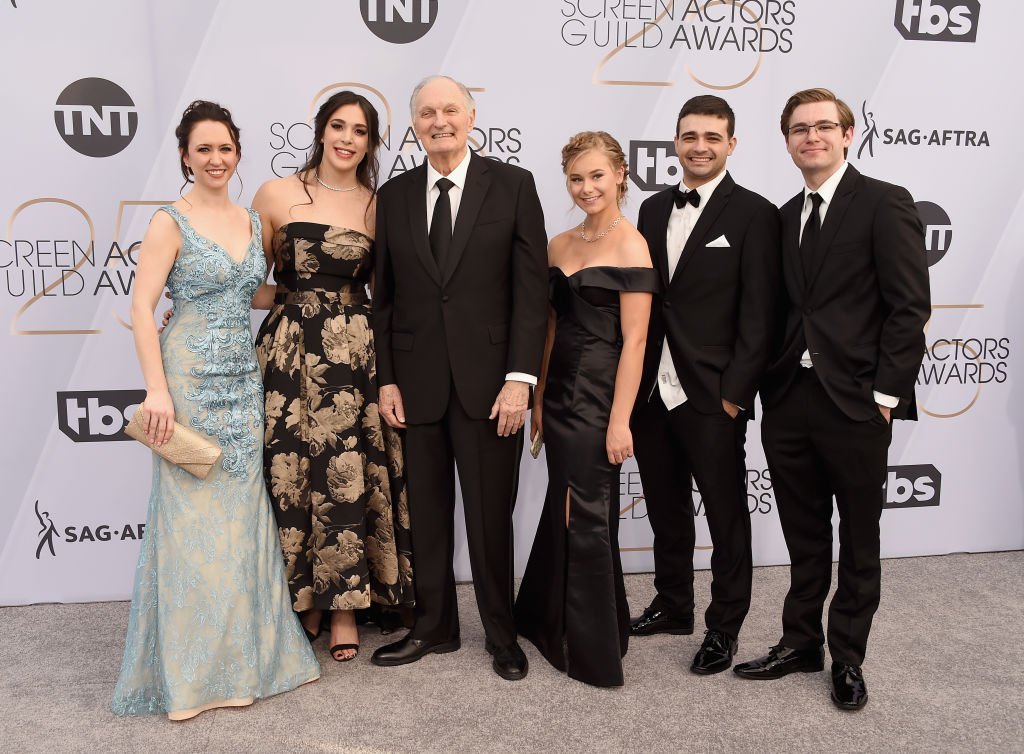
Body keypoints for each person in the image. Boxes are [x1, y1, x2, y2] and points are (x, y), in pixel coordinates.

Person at [112, 100, 320, 720]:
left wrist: (306, 292)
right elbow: (142, 308)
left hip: (242, 381)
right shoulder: (168, 222)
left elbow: (248, 288)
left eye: (225, 148)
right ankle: (192, 679)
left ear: (237, 153)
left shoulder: (254, 222)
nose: (215, 159)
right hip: (186, 382)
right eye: (203, 149)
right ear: (184, 155)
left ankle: (247, 663)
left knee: (240, 521)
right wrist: (156, 390)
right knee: (189, 524)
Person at [733, 88, 930, 711]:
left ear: (848, 134)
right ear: (786, 140)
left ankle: (848, 657)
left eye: (823, 126)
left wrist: (886, 394)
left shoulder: (883, 203)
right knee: (803, 533)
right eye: (798, 128)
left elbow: (909, 307)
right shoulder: (784, 214)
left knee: (859, 537)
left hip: (858, 402)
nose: (810, 136)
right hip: (791, 398)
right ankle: (800, 643)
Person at [370, 75, 549, 681]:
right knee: (425, 512)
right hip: (416, 384)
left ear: (472, 117)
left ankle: (502, 633)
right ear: (414, 124)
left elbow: (531, 293)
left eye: (450, 110)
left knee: (490, 516)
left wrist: (520, 378)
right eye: (426, 113)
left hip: (492, 383)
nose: (438, 121)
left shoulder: (514, 185)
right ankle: (435, 626)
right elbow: (384, 299)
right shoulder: (392, 196)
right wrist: (387, 379)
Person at [251, 91, 414, 663]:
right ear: (320, 130)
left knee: (346, 472)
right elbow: (253, 281)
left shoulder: (379, 205)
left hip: (354, 351)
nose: (348, 138)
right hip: (290, 348)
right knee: (291, 472)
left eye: (361, 131)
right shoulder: (277, 194)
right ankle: (304, 598)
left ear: (371, 143)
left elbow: (387, 292)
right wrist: (196, 305)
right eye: (338, 126)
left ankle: (343, 607)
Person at [629, 96, 781, 676]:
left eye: (712, 137)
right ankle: (673, 604)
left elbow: (760, 314)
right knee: (665, 509)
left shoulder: (755, 214)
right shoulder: (649, 208)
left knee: (725, 516)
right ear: (675, 142)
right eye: (689, 136)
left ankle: (724, 627)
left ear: (732, 144)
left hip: (713, 393)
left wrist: (734, 394)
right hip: (651, 394)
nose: (700, 146)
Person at [514, 131, 656, 687]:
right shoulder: (559, 244)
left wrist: (620, 419)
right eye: (577, 178)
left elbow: (637, 342)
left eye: (598, 175)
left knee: (588, 513)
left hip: (600, 397)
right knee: (564, 504)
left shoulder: (633, 245)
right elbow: (549, 327)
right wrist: (539, 397)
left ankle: (592, 648)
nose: (587, 187)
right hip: (560, 395)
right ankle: (555, 621)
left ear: (621, 174)